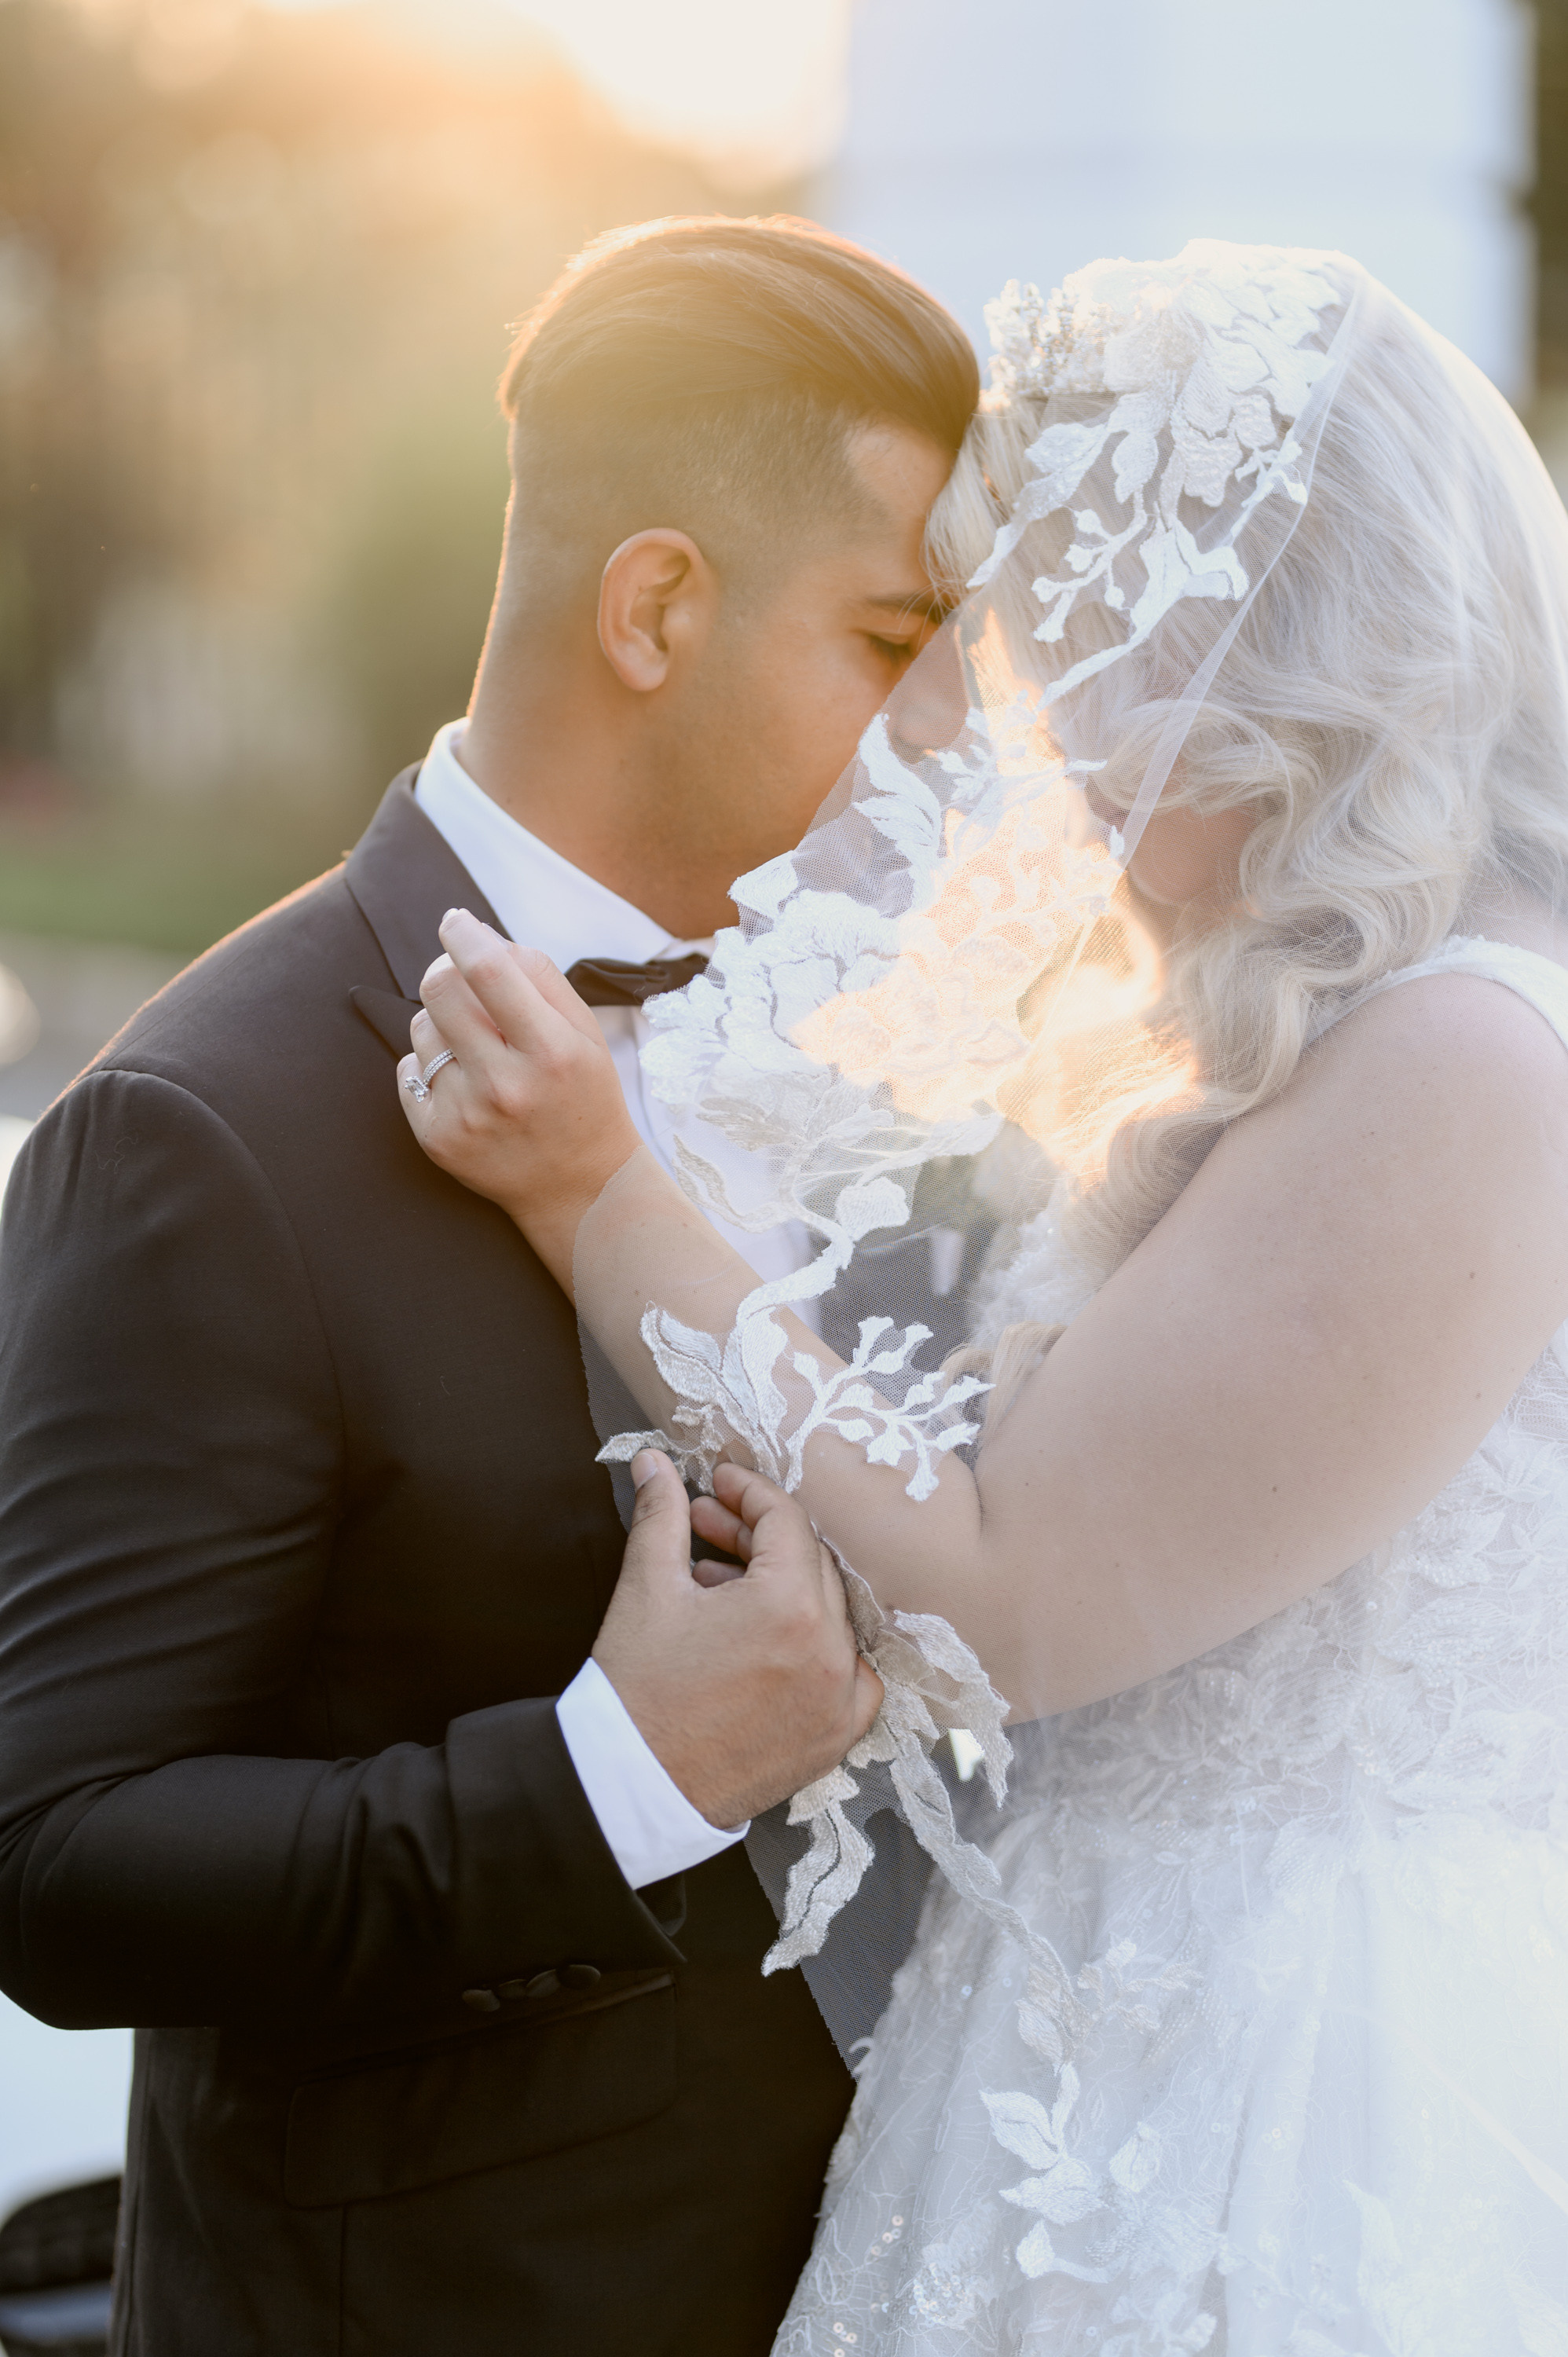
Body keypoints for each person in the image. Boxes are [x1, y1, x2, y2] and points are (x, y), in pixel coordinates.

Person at [401, 242, 1568, 2351]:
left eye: (1102, 658)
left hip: (1281, 2092)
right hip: (1106, 2022)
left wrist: (596, 1191)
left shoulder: (1463, 1063)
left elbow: (1007, 1596)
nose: (1047, 736)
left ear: (1290, 647)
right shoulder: (1348, 1020)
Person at [0, 214, 979, 2357]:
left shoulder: (907, 1044)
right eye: (891, 638)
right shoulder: (205, 1126)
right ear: (655, 609)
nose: (942, 729)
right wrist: (616, 1771)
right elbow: (56, 1860)